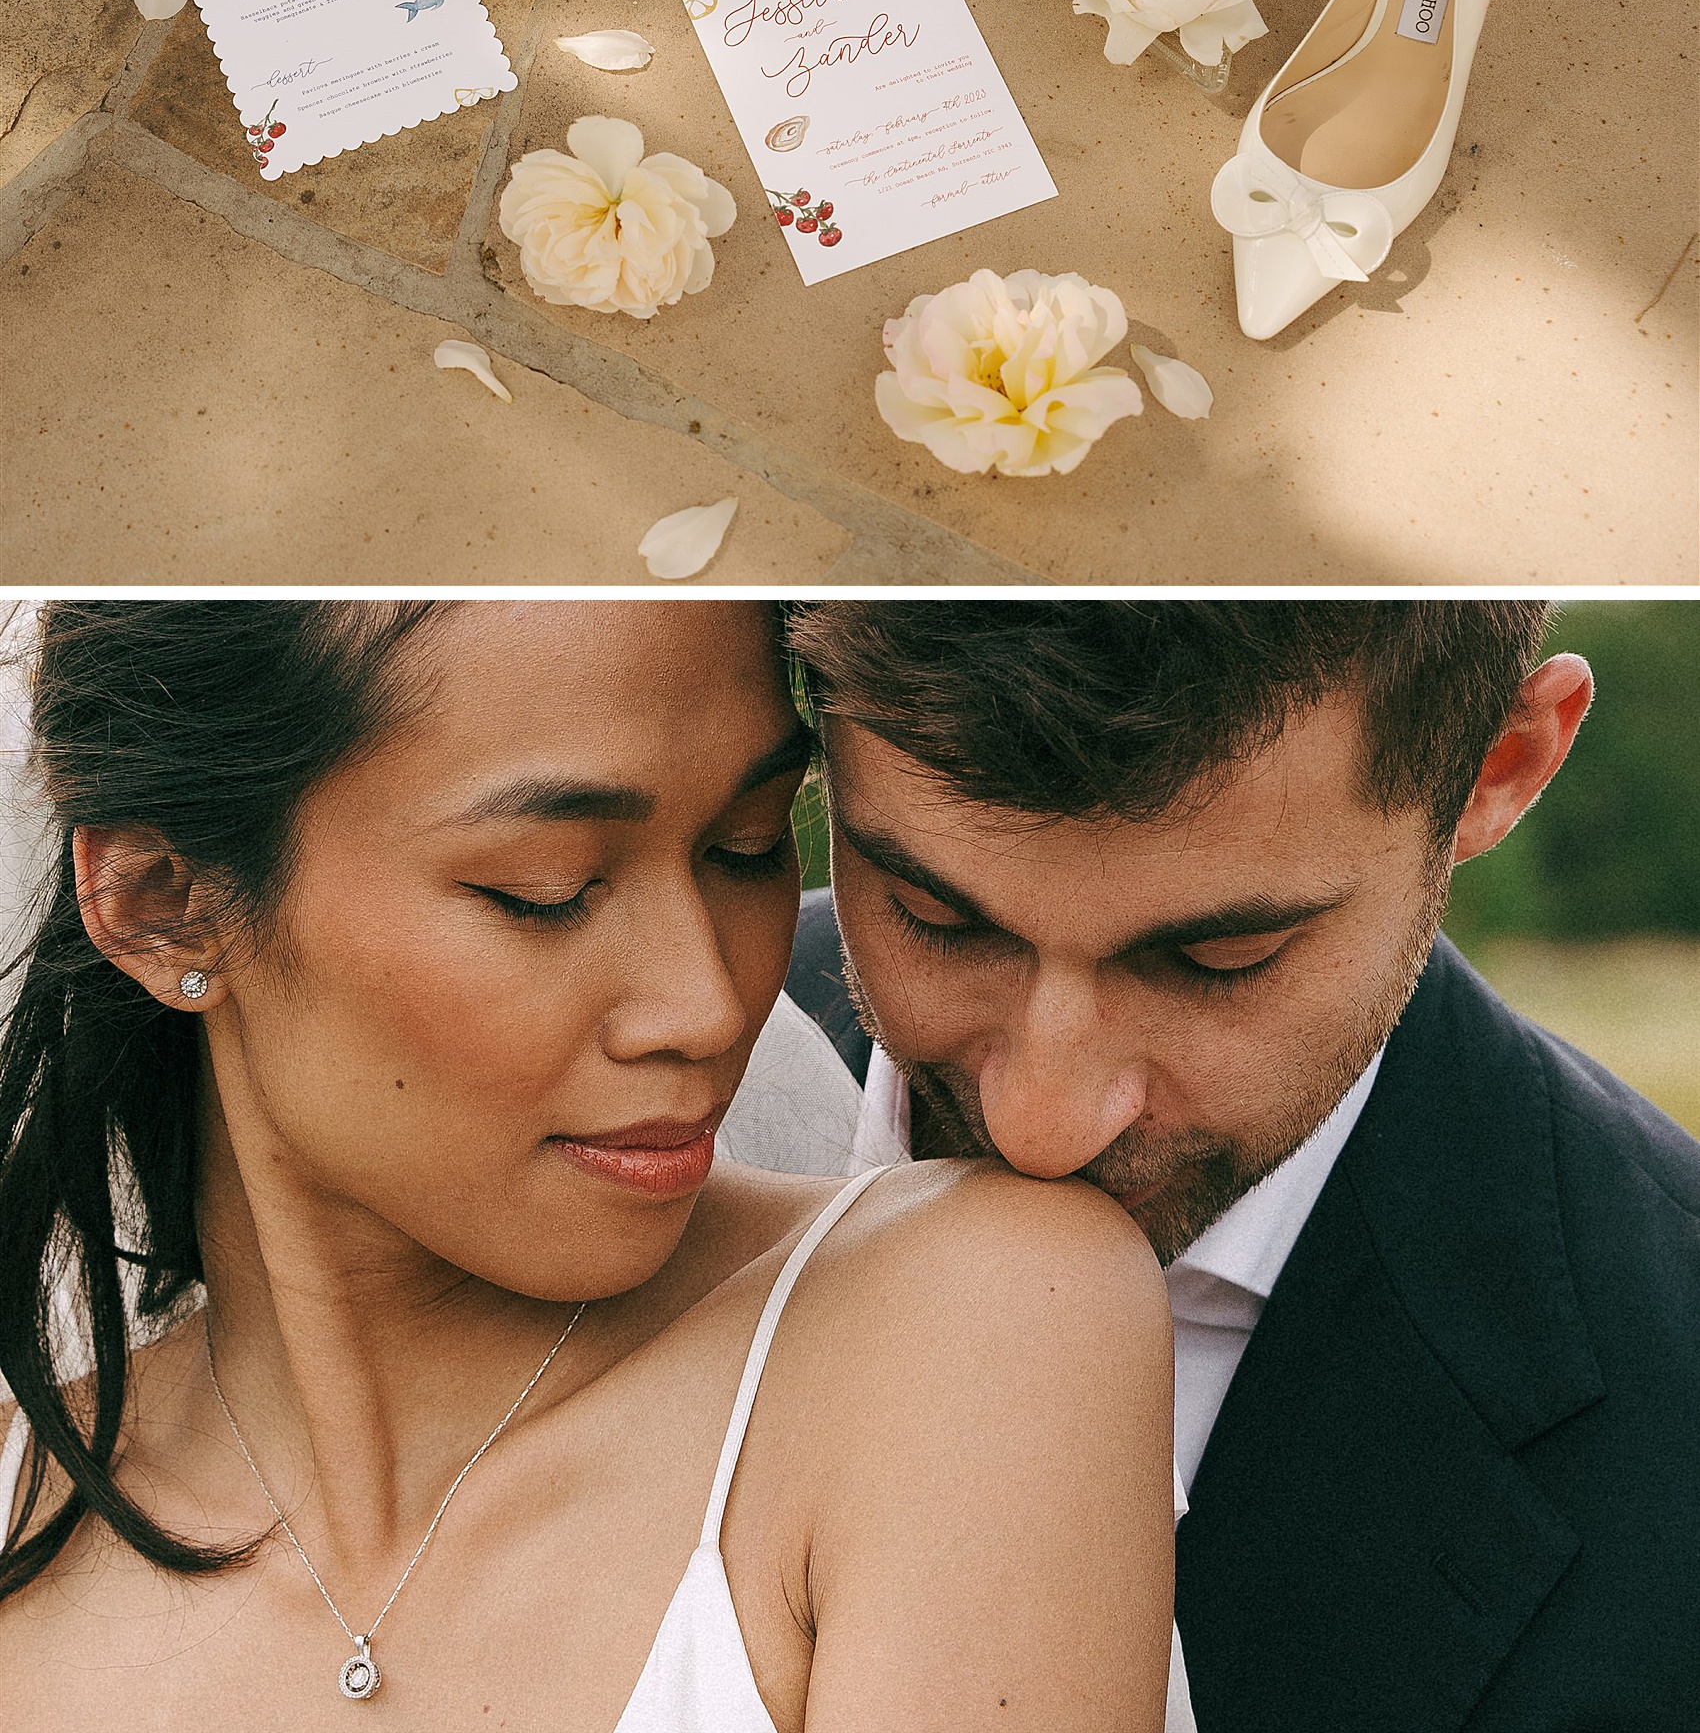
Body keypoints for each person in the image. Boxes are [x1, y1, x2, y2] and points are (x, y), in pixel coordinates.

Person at [0, 599, 1176, 1732]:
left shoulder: (962, 1327)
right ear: (161, 903)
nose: (707, 1006)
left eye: (745, 848)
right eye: (546, 893)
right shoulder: (21, 1515)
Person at [743, 601, 1700, 1733]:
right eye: (933, 915)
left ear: (1497, 768)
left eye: (1216, 958)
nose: (1041, 1127)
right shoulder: (611, 1102)